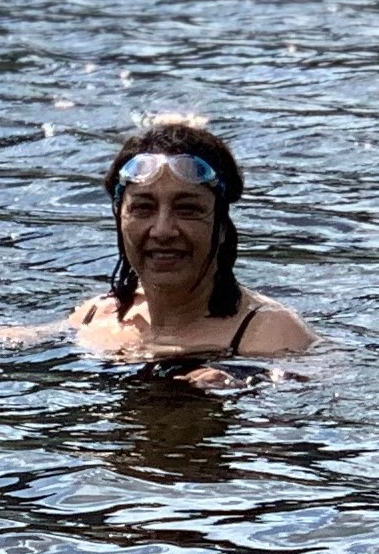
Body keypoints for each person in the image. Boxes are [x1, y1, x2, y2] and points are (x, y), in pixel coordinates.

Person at [70, 116, 313, 377]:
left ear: (221, 228)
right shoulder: (96, 316)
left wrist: (246, 384)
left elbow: (322, 384)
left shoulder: (268, 333)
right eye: (143, 208)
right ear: (120, 220)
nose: (163, 230)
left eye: (187, 209)